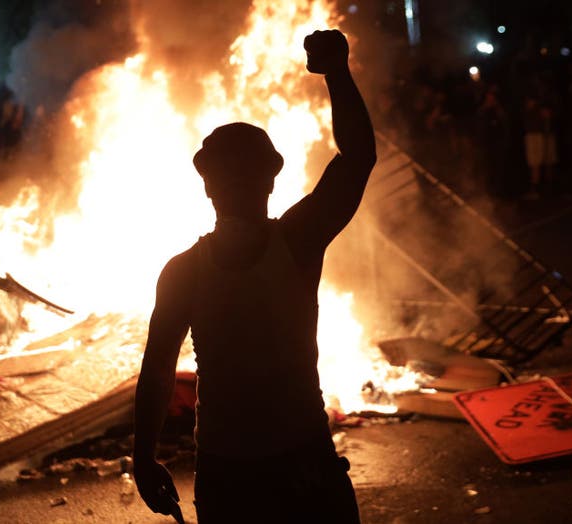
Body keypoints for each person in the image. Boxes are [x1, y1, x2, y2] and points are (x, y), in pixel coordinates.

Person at [133, 29, 373, 524]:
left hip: (236, 474)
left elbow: (157, 370)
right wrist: (337, 74)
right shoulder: (297, 241)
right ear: (272, 179)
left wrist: (143, 457)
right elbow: (356, 159)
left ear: (206, 187)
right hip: (290, 466)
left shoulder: (185, 271)